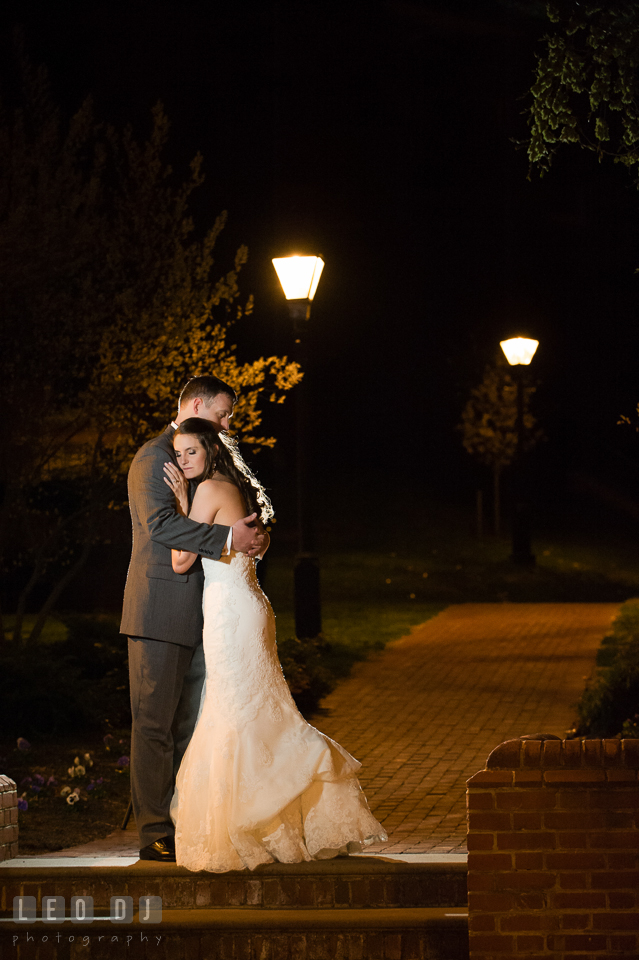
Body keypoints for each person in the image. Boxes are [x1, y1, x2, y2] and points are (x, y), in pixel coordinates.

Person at [162, 418, 387, 872]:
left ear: (210, 450)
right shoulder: (235, 484)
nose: (183, 460)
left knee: (238, 713)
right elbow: (253, 545)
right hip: (248, 606)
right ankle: (276, 819)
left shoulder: (206, 491)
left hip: (230, 614)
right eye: (178, 453)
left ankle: (259, 820)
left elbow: (180, 560)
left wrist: (182, 504)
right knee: (254, 711)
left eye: (191, 452)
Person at [120, 375, 267, 863]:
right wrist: (230, 541)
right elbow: (161, 525)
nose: (229, 425)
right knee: (154, 725)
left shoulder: (202, 454)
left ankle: (190, 822)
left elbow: (221, 512)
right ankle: (154, 833)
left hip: (209, 613)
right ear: (198, 406)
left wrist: (248, 539)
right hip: (159, 611)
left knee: (193, 724)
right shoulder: (154, 457)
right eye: (224, 415)